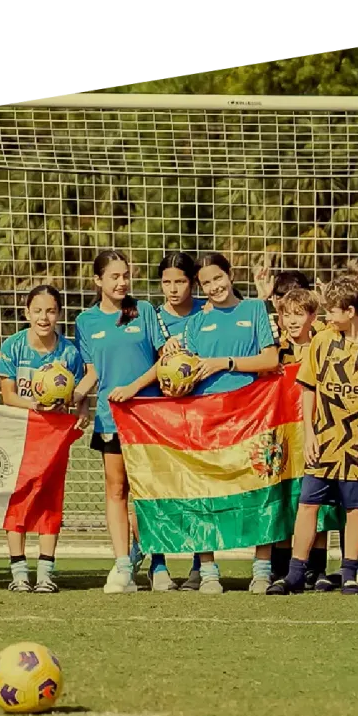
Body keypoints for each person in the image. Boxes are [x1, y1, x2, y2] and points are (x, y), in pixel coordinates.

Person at [272, 278, 358, 596]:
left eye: (332, 312)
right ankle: (295, 573)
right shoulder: (323, 341)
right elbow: (307, 387)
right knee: (308, 504)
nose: (327, 318)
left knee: (356, 508)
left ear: (350, 311)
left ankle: (349, 574)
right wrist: (310, 433)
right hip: (326, 439)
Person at [174, 252, 281, 593]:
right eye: (206, 283)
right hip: (206, 417)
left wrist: (226, 363)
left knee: (258, 489)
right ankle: (208, 572)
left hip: (252, 414)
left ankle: (261, 570)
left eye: (218, 278)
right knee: (205, 491)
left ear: (230, 275)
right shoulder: (195, 323)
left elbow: (270, 358)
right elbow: (184, 369)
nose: (214, 287)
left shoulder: (253, 310)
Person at [0, 285, 96, 593]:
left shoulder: (68, 353)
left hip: (53, 437)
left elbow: (79, 394)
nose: (44, 317)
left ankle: (45, 573)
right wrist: (35, 405)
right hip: (20, 432)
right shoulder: (13, 346)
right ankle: (18, 572)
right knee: (19, 499)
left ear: (59, 315)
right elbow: (8, 395)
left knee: (50, 501)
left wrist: (82, 410)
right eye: (37, 311)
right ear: (27, 313)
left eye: (51, 311)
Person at [76, 250, 163, 595]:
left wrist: (134, 388)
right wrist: (75, 397)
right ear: (98, 281)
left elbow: (163, 361)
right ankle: (123, 565)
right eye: (114, 276)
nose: (122, 282)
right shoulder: (86, 321)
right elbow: (93, 373)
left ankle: (158, 564)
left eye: (125, 275)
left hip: (149, 416)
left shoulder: (144, 312)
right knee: (117, 489)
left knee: (150, 492)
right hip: (110, 417)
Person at [148, 250, 207, 591]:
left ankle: (201, 564)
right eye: (167, 282)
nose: (173, 289)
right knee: (160, 489)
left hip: (201, 415)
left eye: (180, 281)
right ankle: (158, 566)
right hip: (161, 416)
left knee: (200, 490)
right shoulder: (152, 318)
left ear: (192, 282)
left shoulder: (207, 312)